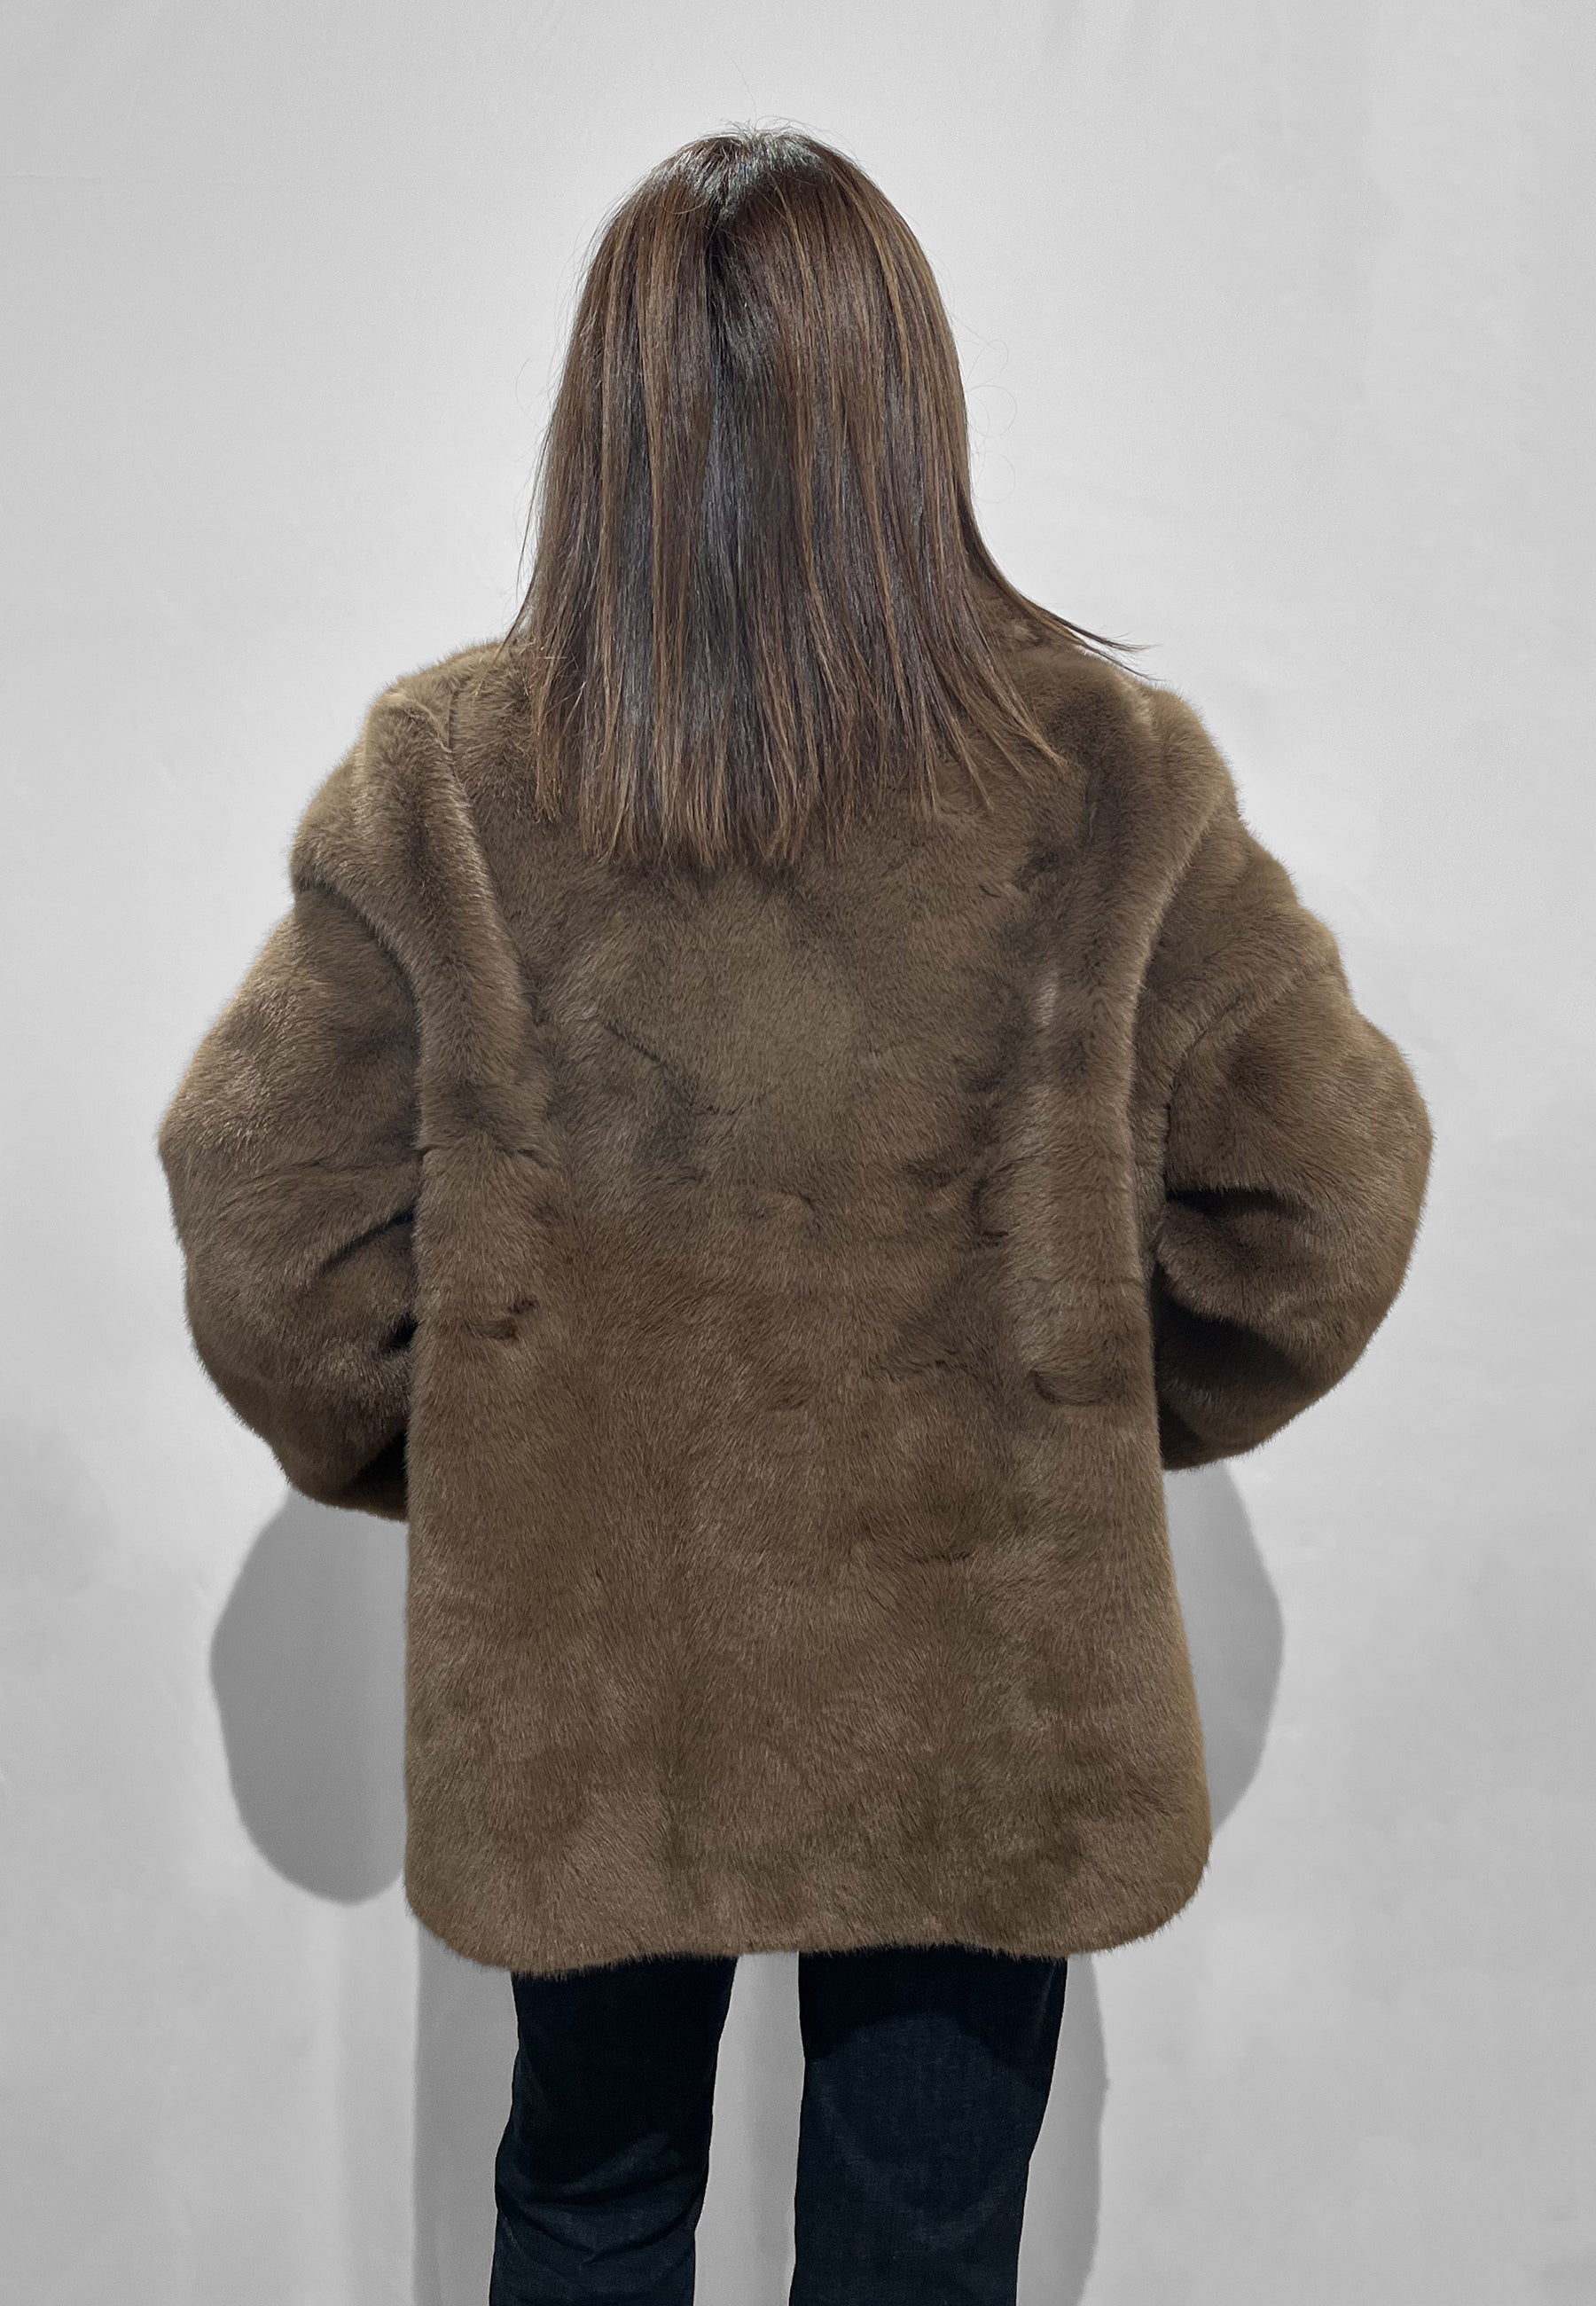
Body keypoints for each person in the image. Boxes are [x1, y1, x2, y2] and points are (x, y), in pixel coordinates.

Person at [156, 125, 1434, 2306]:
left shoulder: (450, 782)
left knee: (587, 2200)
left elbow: (270, 1229)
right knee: (922, 2245)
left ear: (610, 419)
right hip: (988, 1683)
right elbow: (1318, 1205)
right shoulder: (1108, 772)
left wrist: (480, 1458)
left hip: (585, 1686)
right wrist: (1084, 1403)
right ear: (907, 406)